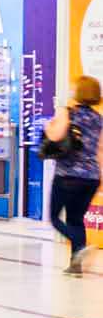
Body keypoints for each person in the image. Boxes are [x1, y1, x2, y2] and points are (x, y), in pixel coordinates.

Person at [44, 75, 103, 274]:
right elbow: (100, 151)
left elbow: (55, 135)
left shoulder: (69, 113)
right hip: (92, 178)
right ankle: (76, 264)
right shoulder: (98, 119)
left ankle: (80, 247)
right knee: (76, 219)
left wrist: (50, 124)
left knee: (54, 217)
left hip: (67, 175)